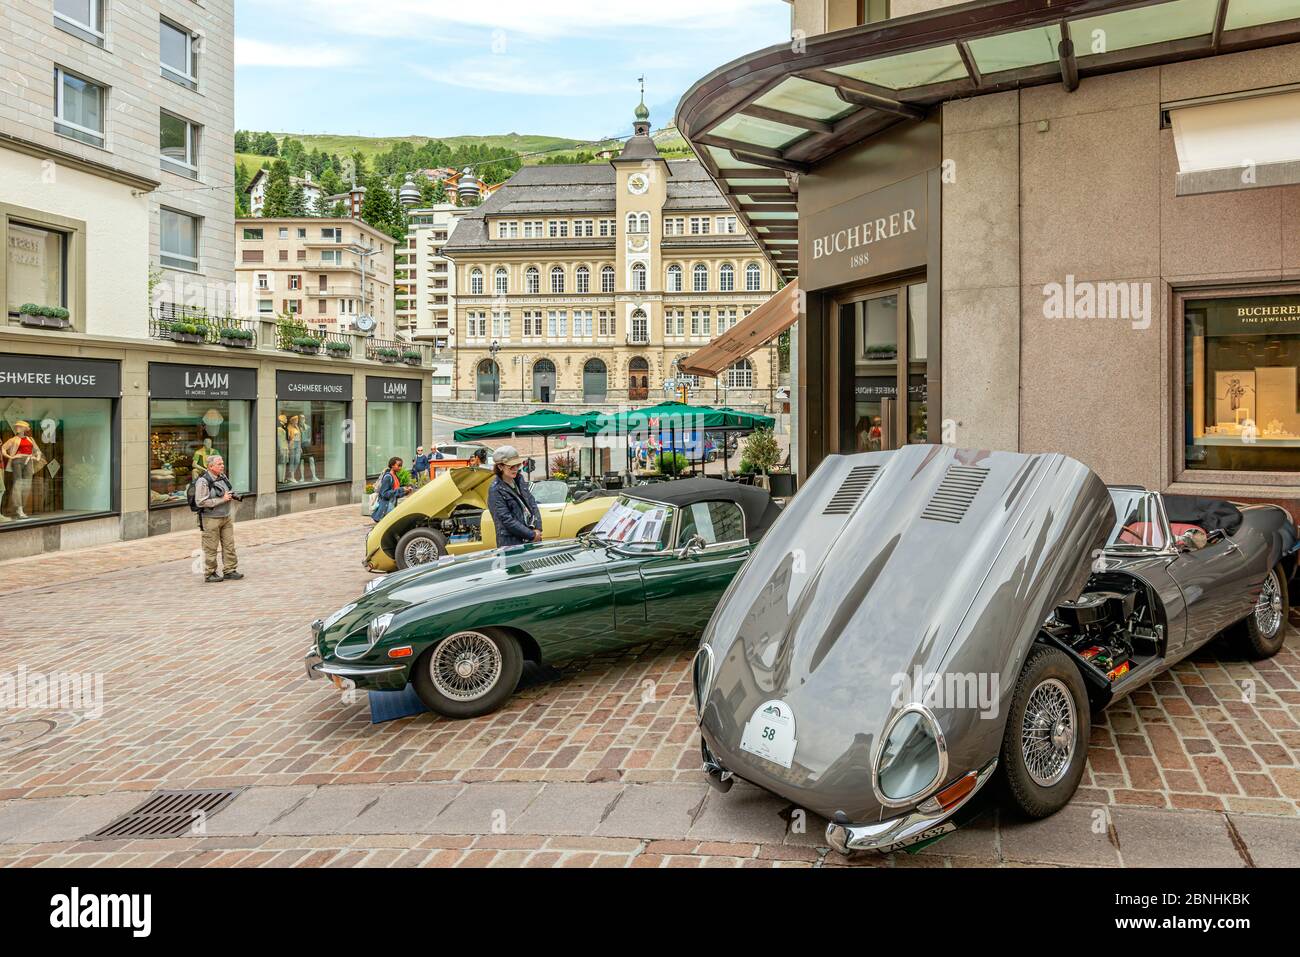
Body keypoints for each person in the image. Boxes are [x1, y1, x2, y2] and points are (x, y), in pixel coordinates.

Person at [194, 454, 243, 583]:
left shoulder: (223, 477)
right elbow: (200, 502)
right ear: (210, 467)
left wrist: (232, 495)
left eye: (222, 463)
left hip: (225, 517)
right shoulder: (203, 481)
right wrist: (221, 500)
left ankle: (230, 570)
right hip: (210, 519)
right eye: (219, 464)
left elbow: (228, 491)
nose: (222, 466)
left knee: (229, 545)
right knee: (210, 547)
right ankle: (209, 573)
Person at [487, 445, 542, 547]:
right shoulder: (495, 490)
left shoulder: (519, 480)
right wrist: (532, 535)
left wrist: (538, 529)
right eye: (512, 466)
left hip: (530, 538)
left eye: (518, 465)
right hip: (512, 543)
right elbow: (507, 520)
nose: (516, 469)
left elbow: (532, 503)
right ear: (500, 467)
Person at [372, 456, 411, 522]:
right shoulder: (388, 477)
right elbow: (384, 494)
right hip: (386, 509)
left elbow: (395, 494)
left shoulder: (396, 477)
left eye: (401, 465)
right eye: (398, 465)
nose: (400, 467)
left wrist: (405, 492)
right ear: (392, 465)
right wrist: (401, 489)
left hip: (391, 507)